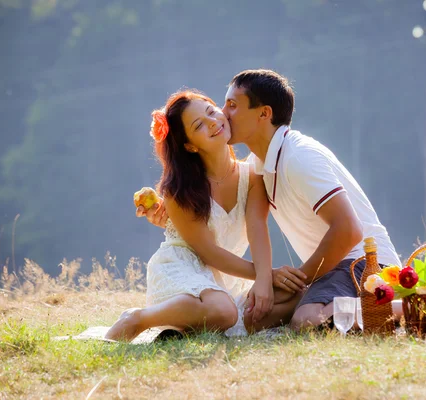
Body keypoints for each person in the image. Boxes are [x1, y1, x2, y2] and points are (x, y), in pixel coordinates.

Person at [143, 69, 403, 331]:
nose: (223, 113)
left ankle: (407, 307)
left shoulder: (298, 157)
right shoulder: (261, 164)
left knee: (307, 321)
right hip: (331, 268)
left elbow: (349, 230)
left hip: (364, 264)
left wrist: (301, 279)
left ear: (264, 114)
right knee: (254, 318)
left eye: (232, 105)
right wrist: (168, 211)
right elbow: (212, 197)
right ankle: (345, 306)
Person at [105, 89, 297, 341]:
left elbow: (258, 228)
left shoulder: (252, 176)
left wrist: (265, 280)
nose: (213, 122)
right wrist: (265, 274)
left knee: (294, 291)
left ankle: (190, 327)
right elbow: (209, 253)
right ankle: (139, 318)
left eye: (211, 111)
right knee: (225, 311)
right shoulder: (179, 191)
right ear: (189, 145)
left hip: (227, 277)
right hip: (182, 269)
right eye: (199, 125)